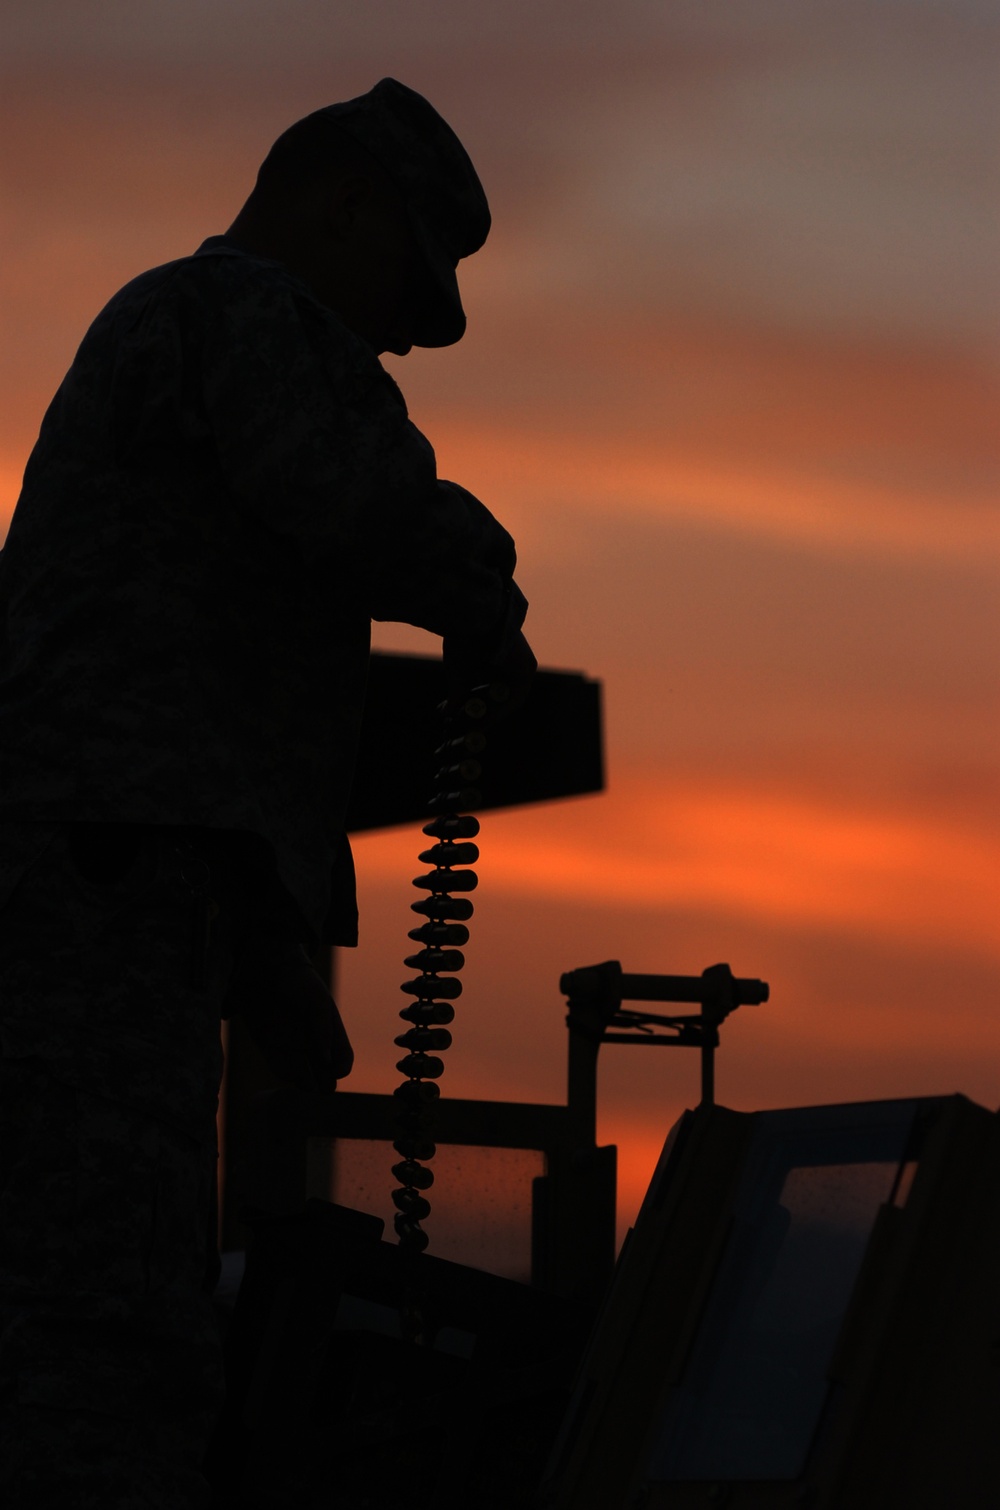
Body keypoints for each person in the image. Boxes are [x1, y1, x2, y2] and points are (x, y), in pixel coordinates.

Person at [0, 78, 535, 1507]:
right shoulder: (236, 315)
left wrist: (269, 941)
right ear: (341, 202)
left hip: (128, 880)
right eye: (403, 281)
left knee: (116, 1278)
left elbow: (194, 682)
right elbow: (347, 497)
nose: (404, 331)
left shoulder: (181, 331)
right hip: (105, 881)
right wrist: (473, 577)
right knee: (99, 1322)